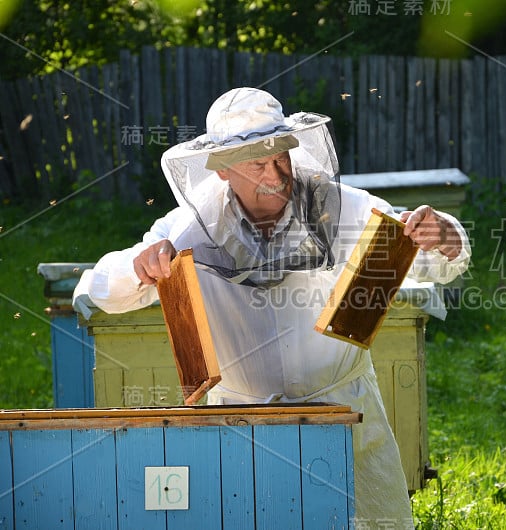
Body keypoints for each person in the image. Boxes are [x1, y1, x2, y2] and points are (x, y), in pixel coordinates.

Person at [76, 87, 470, 527]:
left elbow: (431, 257)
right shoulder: (189, 226)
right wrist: (141, 266)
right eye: (258, 164)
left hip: (345, 411)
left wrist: (444, 234)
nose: (277, 174)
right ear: (222, 170)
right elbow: (98, 292)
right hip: (243, 423)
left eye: (281, 156)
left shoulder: (339, 206)